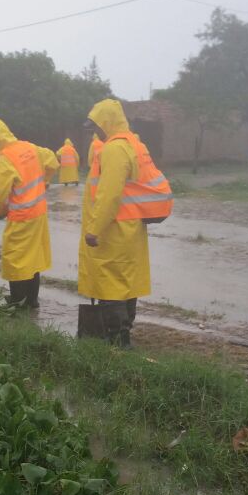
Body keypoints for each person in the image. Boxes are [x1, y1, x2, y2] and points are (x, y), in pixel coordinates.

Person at [78, 98, 172, 347]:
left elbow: (110, 194)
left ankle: (117, 341)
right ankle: (124, 334)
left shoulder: (114, 149)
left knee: (111, 285)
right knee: (126, 283)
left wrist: (94, 229)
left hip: (114, 229)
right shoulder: (134, 144)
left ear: (106, 122)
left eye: (97, 126)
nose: (95, 131)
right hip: (130, 227)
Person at [0, 117, 59, 308]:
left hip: (21, 217)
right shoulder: (31, 147)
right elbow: (53, 162)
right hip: (39, 214)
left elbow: (0, 191)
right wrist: (45, 181)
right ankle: (32, 301)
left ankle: (17, 302)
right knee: (33, 257)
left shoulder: (6, 158)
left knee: (15, 259)